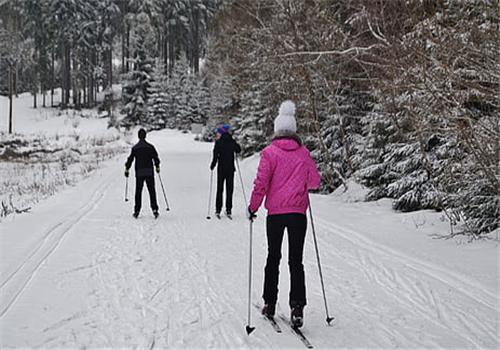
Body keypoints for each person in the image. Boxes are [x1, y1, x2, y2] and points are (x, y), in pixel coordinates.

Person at [247, 100, 321, 328]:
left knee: (273, 257)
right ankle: (297, 307)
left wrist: (253, 207)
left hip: (276, 215)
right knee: (295, 261)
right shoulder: (304, 153)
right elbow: (315, 182)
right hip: (298, 214)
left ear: (278, 130)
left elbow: (261, 183)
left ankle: (269, 302)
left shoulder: (269, 153)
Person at [125, 128, 161, 218]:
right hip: (149, 172)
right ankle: (155, 209)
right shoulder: (150, 147)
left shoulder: (135, 148)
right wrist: (157, 166)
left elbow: (130, 159)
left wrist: (127, 169)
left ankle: (137, 211)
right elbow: (155, 158)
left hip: (139, 173)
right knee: (152, 191)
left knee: (138, 192)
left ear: (138, 136)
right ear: (145, 136)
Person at [210, 124, 241, 219]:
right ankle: (228, 209)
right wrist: (234, 143)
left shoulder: (218, 142)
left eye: (219, 132)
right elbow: (238, 150)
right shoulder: (231, 141)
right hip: (230, 169)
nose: (218, 134)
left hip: (221, 169)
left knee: (220, 189)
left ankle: (218, 209)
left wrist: (213, 165)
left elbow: (215, 155)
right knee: (229, 189)